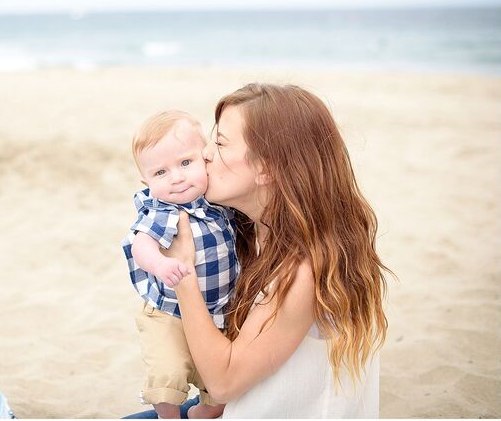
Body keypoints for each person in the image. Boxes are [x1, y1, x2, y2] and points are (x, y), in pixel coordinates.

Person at [125, 83, 392, 419]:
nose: (205, 153)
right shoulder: (251, 230)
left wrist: (184, 273)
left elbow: (222, 383)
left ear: (267, 168)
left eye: (220, 143)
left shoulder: (304, 268)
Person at [121, 111, 240, 419]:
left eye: (186, 163)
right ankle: (169, 415)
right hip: (168, 312)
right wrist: (160, 264)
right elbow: (141, 244)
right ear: (146, 182)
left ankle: (202, 412)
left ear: (205, 159)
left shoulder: (218, 203)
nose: (176, 177)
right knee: (166, 372)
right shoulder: (164, 211)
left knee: (218, 387)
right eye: (160, 172)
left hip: (217, 311)